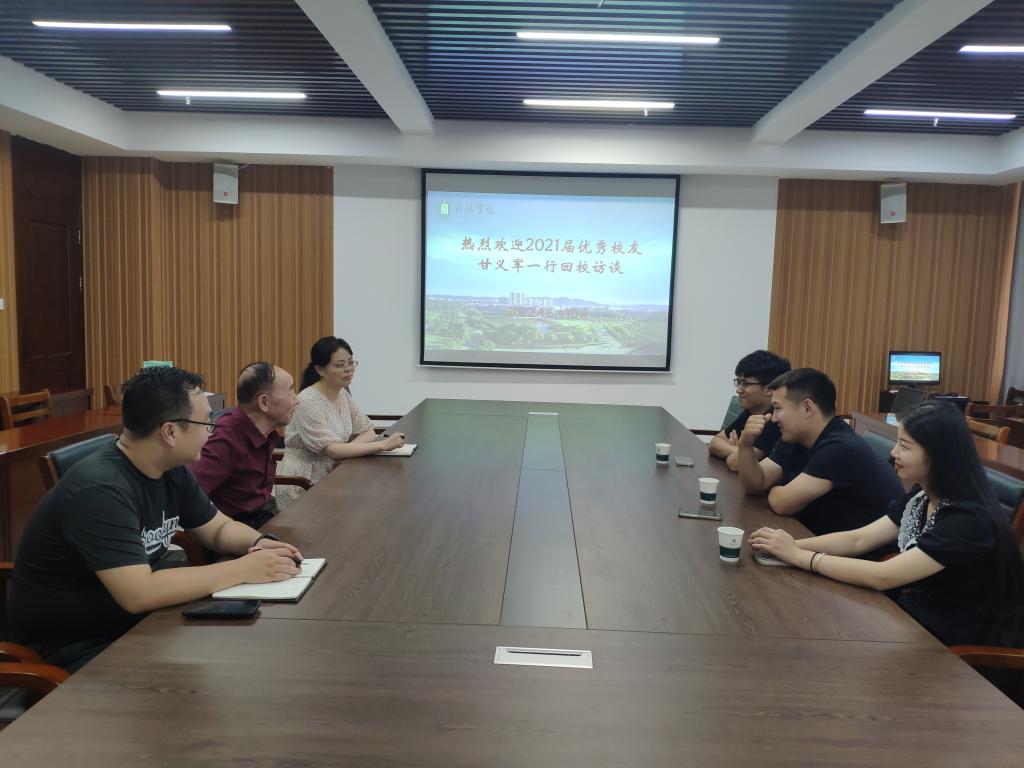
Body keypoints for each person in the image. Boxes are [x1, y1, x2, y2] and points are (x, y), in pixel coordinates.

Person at [7, 367, 303, 672]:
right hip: (74, 647)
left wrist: (261, 543)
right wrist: (242, 569)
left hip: (136, 624)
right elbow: (139, 593)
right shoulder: (101, 489)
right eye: (206, 423)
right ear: (170, 432)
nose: (212, 431)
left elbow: (218, 528)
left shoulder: (170, 468)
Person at [750, 400, 1024, 649]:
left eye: (905, 446)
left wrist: (799, 556)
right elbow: (858, 539)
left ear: (940, 455)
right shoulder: (923, 495)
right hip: (916, 616)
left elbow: (884, 576)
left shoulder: (968, 519)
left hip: (959, 644)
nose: (894, 453)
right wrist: (788, 547)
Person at [737, 367, 904, 535]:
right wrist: (745, 445)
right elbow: (755, 484)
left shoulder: (841, 448)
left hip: (862, 549)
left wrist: (773, 488)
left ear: (807, 408)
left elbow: (781, 503)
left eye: (778, 408)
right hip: (816, 534)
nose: (773, 418)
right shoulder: (794, 437)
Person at [275, 336, 405, 509]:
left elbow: (368, 431)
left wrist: (347, 451)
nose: (348, 369)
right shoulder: (308, 401)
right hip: (303, 483)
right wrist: (382, 446)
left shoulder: (342, 394)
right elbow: (332, 450)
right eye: (340, 365)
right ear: (320, 370)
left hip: (336, 473)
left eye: (351, 362)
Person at [191, 362, 298, 529]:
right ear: (264, 403)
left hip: (264, 516)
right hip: (235, 531)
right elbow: (188, 495)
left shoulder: (264, 432)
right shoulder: (224, 440)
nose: (297, 400)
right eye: (290, 391)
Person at [707, 350, 790, 472]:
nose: (738, 390)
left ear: (769, 389)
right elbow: (714, 443)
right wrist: (740, 450)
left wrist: (740, 450)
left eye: (745, 384)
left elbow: (736, 463)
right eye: (738, 382)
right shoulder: (752, 410)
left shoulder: (775, 420)